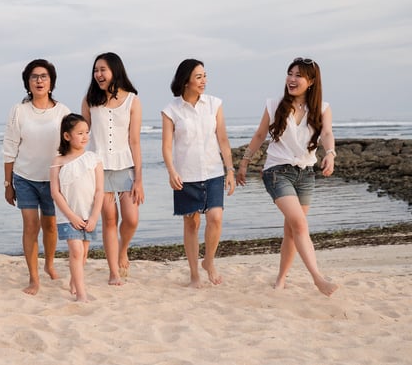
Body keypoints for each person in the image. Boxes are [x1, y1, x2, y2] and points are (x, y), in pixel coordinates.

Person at [237, 57, 339, 297]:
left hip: (306, 173)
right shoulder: (274, 105)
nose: (292, 79)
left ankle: (281, 279)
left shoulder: (322, 108)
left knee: (292, 231)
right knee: (300, 224)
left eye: (298, 76)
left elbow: (327, 132)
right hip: (277, 172)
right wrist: (243, 163)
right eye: (289, 74)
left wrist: (331, 154)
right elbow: (260, 134)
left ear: (311, 82)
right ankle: (317, 278)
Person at [161, 59, 236, 288]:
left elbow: (222, 139)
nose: (204, 81)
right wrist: (171, 171)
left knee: (215, 218)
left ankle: (209, 262)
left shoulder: (214, 104)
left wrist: (230, 170)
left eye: (205, 75)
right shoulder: (171, 110)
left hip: (213, 171)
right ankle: (194, 274)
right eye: (199, 77)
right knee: (191, 224)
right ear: (186, 81)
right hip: (186, 175)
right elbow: (166, 146)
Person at [3, 59, 71, 295]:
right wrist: (7, 183)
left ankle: (49, 263)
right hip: (25, 177)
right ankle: (33, 278)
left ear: (51, 81)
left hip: (54, 179)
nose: (39, 80)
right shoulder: (19, 111)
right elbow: (10, 146)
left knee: (50, 226)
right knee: (31, 226)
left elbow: (71, 147)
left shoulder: (63, 112)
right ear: (27, 83)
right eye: (34, 77)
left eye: (43, 76)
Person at [81, 52, 144, 285]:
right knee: (109, 220)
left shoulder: (132, 100)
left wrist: (139, 179)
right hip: (99, 168)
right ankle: (113, 272)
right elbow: (82, 135)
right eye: (96, 70)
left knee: (131, 218)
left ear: (115, 71)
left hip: (125, 166)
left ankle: (123, 249)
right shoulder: (90, 100)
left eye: (102, 69)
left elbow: (135, 141)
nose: (98, 74)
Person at [49, 114, 104, 302]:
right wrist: (71, 216)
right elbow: (55, 192)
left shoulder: (93, 159)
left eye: (86, 132)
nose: (85, 137)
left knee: (84, 253)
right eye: (79, 133)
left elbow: (99, 191)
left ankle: (75, 281)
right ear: (67, 136)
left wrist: (94, 217)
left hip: (89, 215)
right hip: (68, 216)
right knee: (76, 251)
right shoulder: (58, 161)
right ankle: (81, 294)